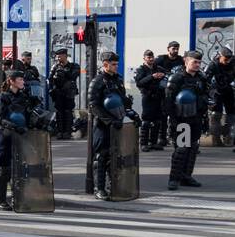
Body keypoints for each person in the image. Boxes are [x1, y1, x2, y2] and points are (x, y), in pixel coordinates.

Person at [0, 69, 53, 210]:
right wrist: (14, 126)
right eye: (20, 79)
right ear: (11, 81)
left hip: (22, 137)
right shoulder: (2, 98)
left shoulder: (24, 97)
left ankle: (19, 197)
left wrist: (42, 124)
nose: (23, 82)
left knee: (21, 168)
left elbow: (30, 116)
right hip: (6, 137)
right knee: (3, 169)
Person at [87, 51, 141, 201]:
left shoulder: (117, 79)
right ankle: (100, 188)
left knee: (115, 156)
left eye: (117, 64)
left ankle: (115, 186)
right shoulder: (97, 82)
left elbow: (123, 102)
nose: (116, 67)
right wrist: (109, 121)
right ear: (105, 64)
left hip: (117, 124)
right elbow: (93, 106)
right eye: (113, 64)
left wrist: (132, 114)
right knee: (101, 157)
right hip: (103, 125)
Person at [164, 50, 210, 190]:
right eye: (194, 62)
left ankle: (186, 176)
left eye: (199, 62)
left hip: (196, 118)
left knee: (192, 149)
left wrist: (204, 118)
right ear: (186, 61)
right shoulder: (176, 78)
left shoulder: (201, 78)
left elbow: (204, 97)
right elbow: (168, 101)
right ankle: (174, 179)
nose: (197, 65)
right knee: (181, 149)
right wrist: (173, 120)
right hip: (181, 120)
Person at [133, 49, 168, 152]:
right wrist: (152, 76)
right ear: (144, 58)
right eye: (149, 57)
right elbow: (139, 82)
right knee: (146, 121)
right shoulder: (141, 69)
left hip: (159, 97)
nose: (151, 59)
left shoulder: (158, 68)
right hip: (148, 97)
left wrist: (163, 76)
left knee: (157, 121)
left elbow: (168, 75)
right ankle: (143, 143)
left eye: (152, 57)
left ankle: (153, 142)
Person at [204, 45, 234, 146]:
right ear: (220, 56)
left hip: (228, 88)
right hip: (216, 90)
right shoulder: (213, 65)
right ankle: (216, 139)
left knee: (232, 113)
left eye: (229, 58)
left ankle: (229, 136)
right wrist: (208, 93)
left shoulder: (233, 62)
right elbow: (205, 79)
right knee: (216, 114)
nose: (228, 61)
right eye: (226, 58)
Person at [48, 48, 80, 139]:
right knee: (59, 112)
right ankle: (60, 131)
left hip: (69, 93)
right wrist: (51, 89)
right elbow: (49, 79)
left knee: (68, 111)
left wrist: (64, 72)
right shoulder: (55, 67)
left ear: (65, 56)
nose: (58, 58)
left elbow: (74, 76)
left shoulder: (74, 66)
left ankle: (67, 132)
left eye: (60, 56)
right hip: (58, 92)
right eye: (57, 56)